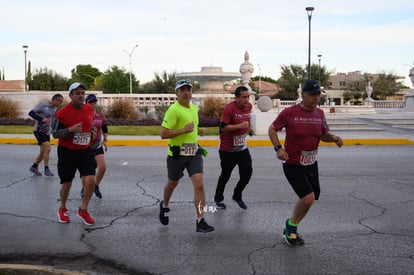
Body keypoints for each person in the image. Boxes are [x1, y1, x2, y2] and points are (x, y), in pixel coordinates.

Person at [268, 79, 343, 246]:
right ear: (302, 95)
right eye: (312, 94)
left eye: (318, 94)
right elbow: (272, 129)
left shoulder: (320, 114)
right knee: (307, 198)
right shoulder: (290, 112)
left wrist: (335, 138)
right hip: (293, 163)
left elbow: (323, 134)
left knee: (311, 197)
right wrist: (278, 149)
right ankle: (291, 227)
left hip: (311, 163)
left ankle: (291, 224)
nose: (316, 98)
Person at [159, 79, 214, 233]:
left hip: (193, 153)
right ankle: (164, 205)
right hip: (176, 154)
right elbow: (163, 134)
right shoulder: (173, 110)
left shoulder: (194, 108)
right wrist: (183, 130)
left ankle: (201, 220)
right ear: (176, 93)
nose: (186, 93)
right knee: (172, 183)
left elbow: (192, 128)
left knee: (199, 184)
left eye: (188, 90)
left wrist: (198, 131)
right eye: (182, 90)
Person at [52, 82, 97, 225]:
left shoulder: (90, 109)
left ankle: (83, 210)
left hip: (85, 151)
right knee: (67, 183)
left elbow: (89, 124)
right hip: (67, 152)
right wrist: (70, 130)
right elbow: (54, 133)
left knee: (90, 181)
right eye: (77, 93)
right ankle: (63, 208)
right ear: (70, 95)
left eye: (82, 93)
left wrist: (91, 132)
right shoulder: (61, 112)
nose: (81, 96)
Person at [214, 86, 253, 210]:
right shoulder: (230, 109)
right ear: (236, 98)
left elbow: (247, 119)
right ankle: (218, 198)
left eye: (248, 97)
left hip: (242, 148)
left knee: (247, 174)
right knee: (226, 175)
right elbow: (222, 128)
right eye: (243, 97)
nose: (246, 100)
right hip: (227, 150)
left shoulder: (249, 106)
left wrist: (249, 128)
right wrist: (240, 125)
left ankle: (237, 195)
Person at [28, 93, 64, 176]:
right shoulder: (43, 105)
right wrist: (41, 119)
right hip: (39, 131)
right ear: (55, 100)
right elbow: (31, 113)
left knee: (43, 152)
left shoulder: (54, 109)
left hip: (46, 132)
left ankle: (34, 167)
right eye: (60, 102)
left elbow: (51, 120)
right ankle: (46, 169)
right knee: (48, 148)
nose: (60, 104)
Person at [80, 94, 108, 199]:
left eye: (94, 102)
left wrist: (105, 140)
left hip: (97, 146)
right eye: (90, 102)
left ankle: (95, 186)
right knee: (86, 171)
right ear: (86, 103)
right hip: (85, 147)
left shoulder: (100, 115)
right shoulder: (82, 115)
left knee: (102, 168)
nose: (93, 104)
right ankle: (84, 189)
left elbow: (104, 127)